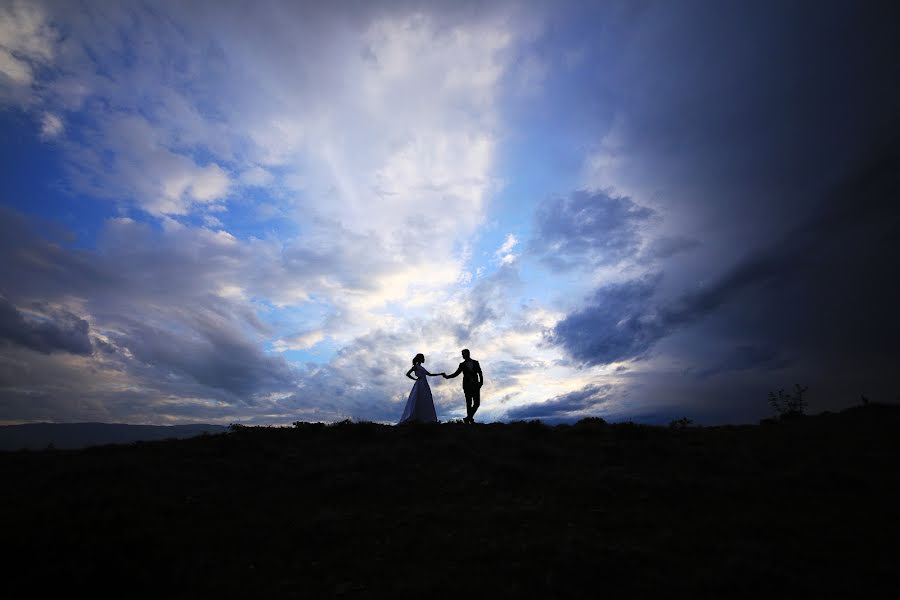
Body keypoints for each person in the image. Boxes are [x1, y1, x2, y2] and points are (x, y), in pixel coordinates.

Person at [399, 353, 443, 424]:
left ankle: (424, 417)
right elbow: (408, 374)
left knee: (425, 399)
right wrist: (415, 379)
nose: (424, 359)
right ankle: (416, 417)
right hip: (419, 384)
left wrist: (440, 374)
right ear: (420, 359)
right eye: (423, 358)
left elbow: (430, 374)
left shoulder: (422, 368)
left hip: (424, 384)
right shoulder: (416, 367)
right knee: (418, 399)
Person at [444, 349, 483, 424]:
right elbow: (456, 373)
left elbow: (480, 373)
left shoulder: (475, 362)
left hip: (475, 385)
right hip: (467, 386)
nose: (462, 356)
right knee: (469, 403)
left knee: (477, 403)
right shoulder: (462, 365)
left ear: (468, 354)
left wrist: (481, 383)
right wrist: (447, 377)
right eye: (462, 354)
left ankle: (468, 418)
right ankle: (470, 420)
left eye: (463, 354)